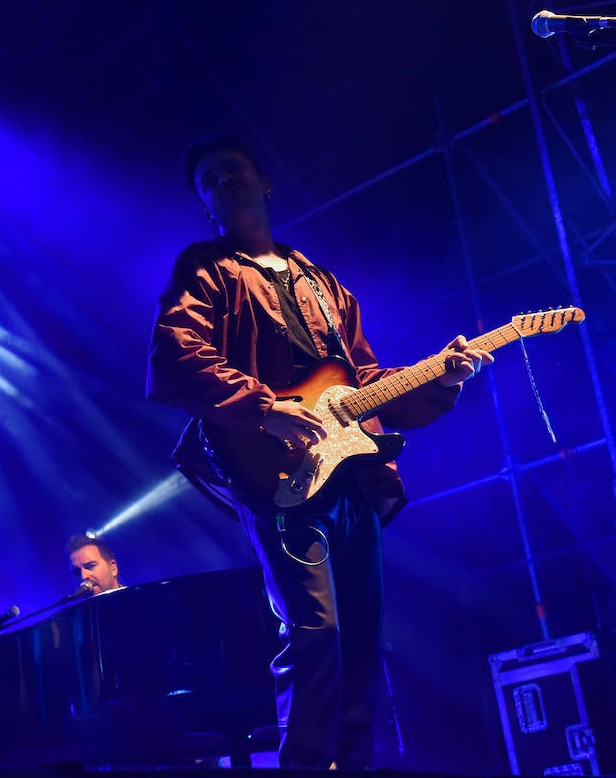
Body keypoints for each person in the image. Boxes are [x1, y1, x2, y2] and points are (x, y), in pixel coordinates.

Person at [145, 135, 492, 770]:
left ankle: (352, 767)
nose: (226, 183)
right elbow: (176, 357)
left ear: (264, 183)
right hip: (276, 479)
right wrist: (263, 409)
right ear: (203, 203)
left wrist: (441, 381)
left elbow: (367, 385)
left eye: (235, 171)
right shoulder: (206, 269)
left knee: (361, 638)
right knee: (316, 631)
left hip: (350, 478)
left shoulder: (322, 281)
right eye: (211, 180)